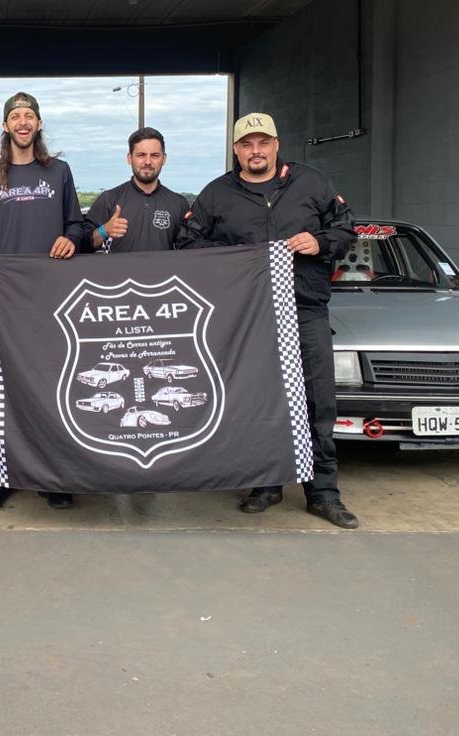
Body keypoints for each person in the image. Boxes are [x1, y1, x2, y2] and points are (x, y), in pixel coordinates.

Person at [177, 112, 359, 529]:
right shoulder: (217, 194)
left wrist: (320, 241)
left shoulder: (311, 183)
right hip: (249, 316)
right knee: (258, 401)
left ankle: (323, 493)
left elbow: (346, 227)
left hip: (305, 309)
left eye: (263, 143)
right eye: (246, 144)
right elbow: (187, 243)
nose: (255, 151)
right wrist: (233, 258)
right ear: (236, 150)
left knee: (317, 402)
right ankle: (266, 484)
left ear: (277, 145)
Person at [0, 92, 85, 510]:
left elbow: (77, 224)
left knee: (51, 384)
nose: (23, 122)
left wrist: (71, 238)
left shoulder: (59, 171)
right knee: (1, 387)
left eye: (30, 115)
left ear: (39, 124)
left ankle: (54, 476)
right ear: (6, 125)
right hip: (5, 294)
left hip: (52, 295)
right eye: (16, 116)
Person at [84, 126, 189, 254]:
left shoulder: (179, 203)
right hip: (119, 268)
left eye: (155, 155)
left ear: (164, 159)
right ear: (129, 158)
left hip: (164, 268)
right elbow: (83, 244)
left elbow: (190, 249)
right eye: (141, 155)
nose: (148, 162)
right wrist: (103, 231)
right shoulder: (109, 199)